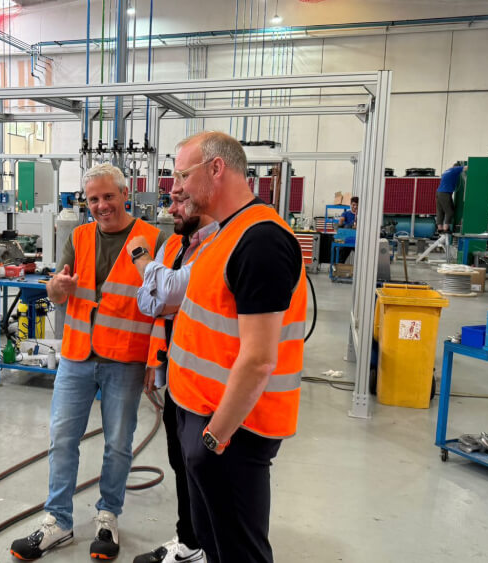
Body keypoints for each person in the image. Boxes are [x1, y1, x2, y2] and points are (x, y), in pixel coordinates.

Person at [10, 163, 168, 561]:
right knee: (62, 438)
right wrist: (56, 288)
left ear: (125, 195)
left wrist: (155, 360)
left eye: (108, 196)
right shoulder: (78, 237)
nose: (101, 205)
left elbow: (163, 307)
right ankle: (58, 520)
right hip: (77, 356)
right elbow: (55, 292)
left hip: (126, 359)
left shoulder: (153, 239)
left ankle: (108, 516)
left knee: (118, 444)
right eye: (93, 199)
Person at [169, 131, 306, 563]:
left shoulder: (261, 241)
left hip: (234, 432)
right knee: (215, 545)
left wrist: (214, 438)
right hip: (203, 416)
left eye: (182, 175)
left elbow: (259, 358)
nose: (177, 187)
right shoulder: (224, 232)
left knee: (240, 553)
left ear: (216, 168)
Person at [125, 186, 217, 563]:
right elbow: (150, 303)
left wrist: (144, 262)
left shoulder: (218, 246)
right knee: (181, 462)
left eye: (180, 201)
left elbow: (169, 291)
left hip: (211, 384)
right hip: (179, 375)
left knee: (210, 473)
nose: (171, 209)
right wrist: (155, 360)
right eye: (170, 201)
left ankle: (211, 547)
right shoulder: (175, 246)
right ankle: (189, 543)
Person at [436, 162, 465, 235]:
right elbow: (467, 167)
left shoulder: (447, 171)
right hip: (445, 193)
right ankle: (446, 229)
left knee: (440, 211)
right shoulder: (455, 169)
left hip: (439, 192)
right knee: (449, 211)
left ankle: (440, 229)